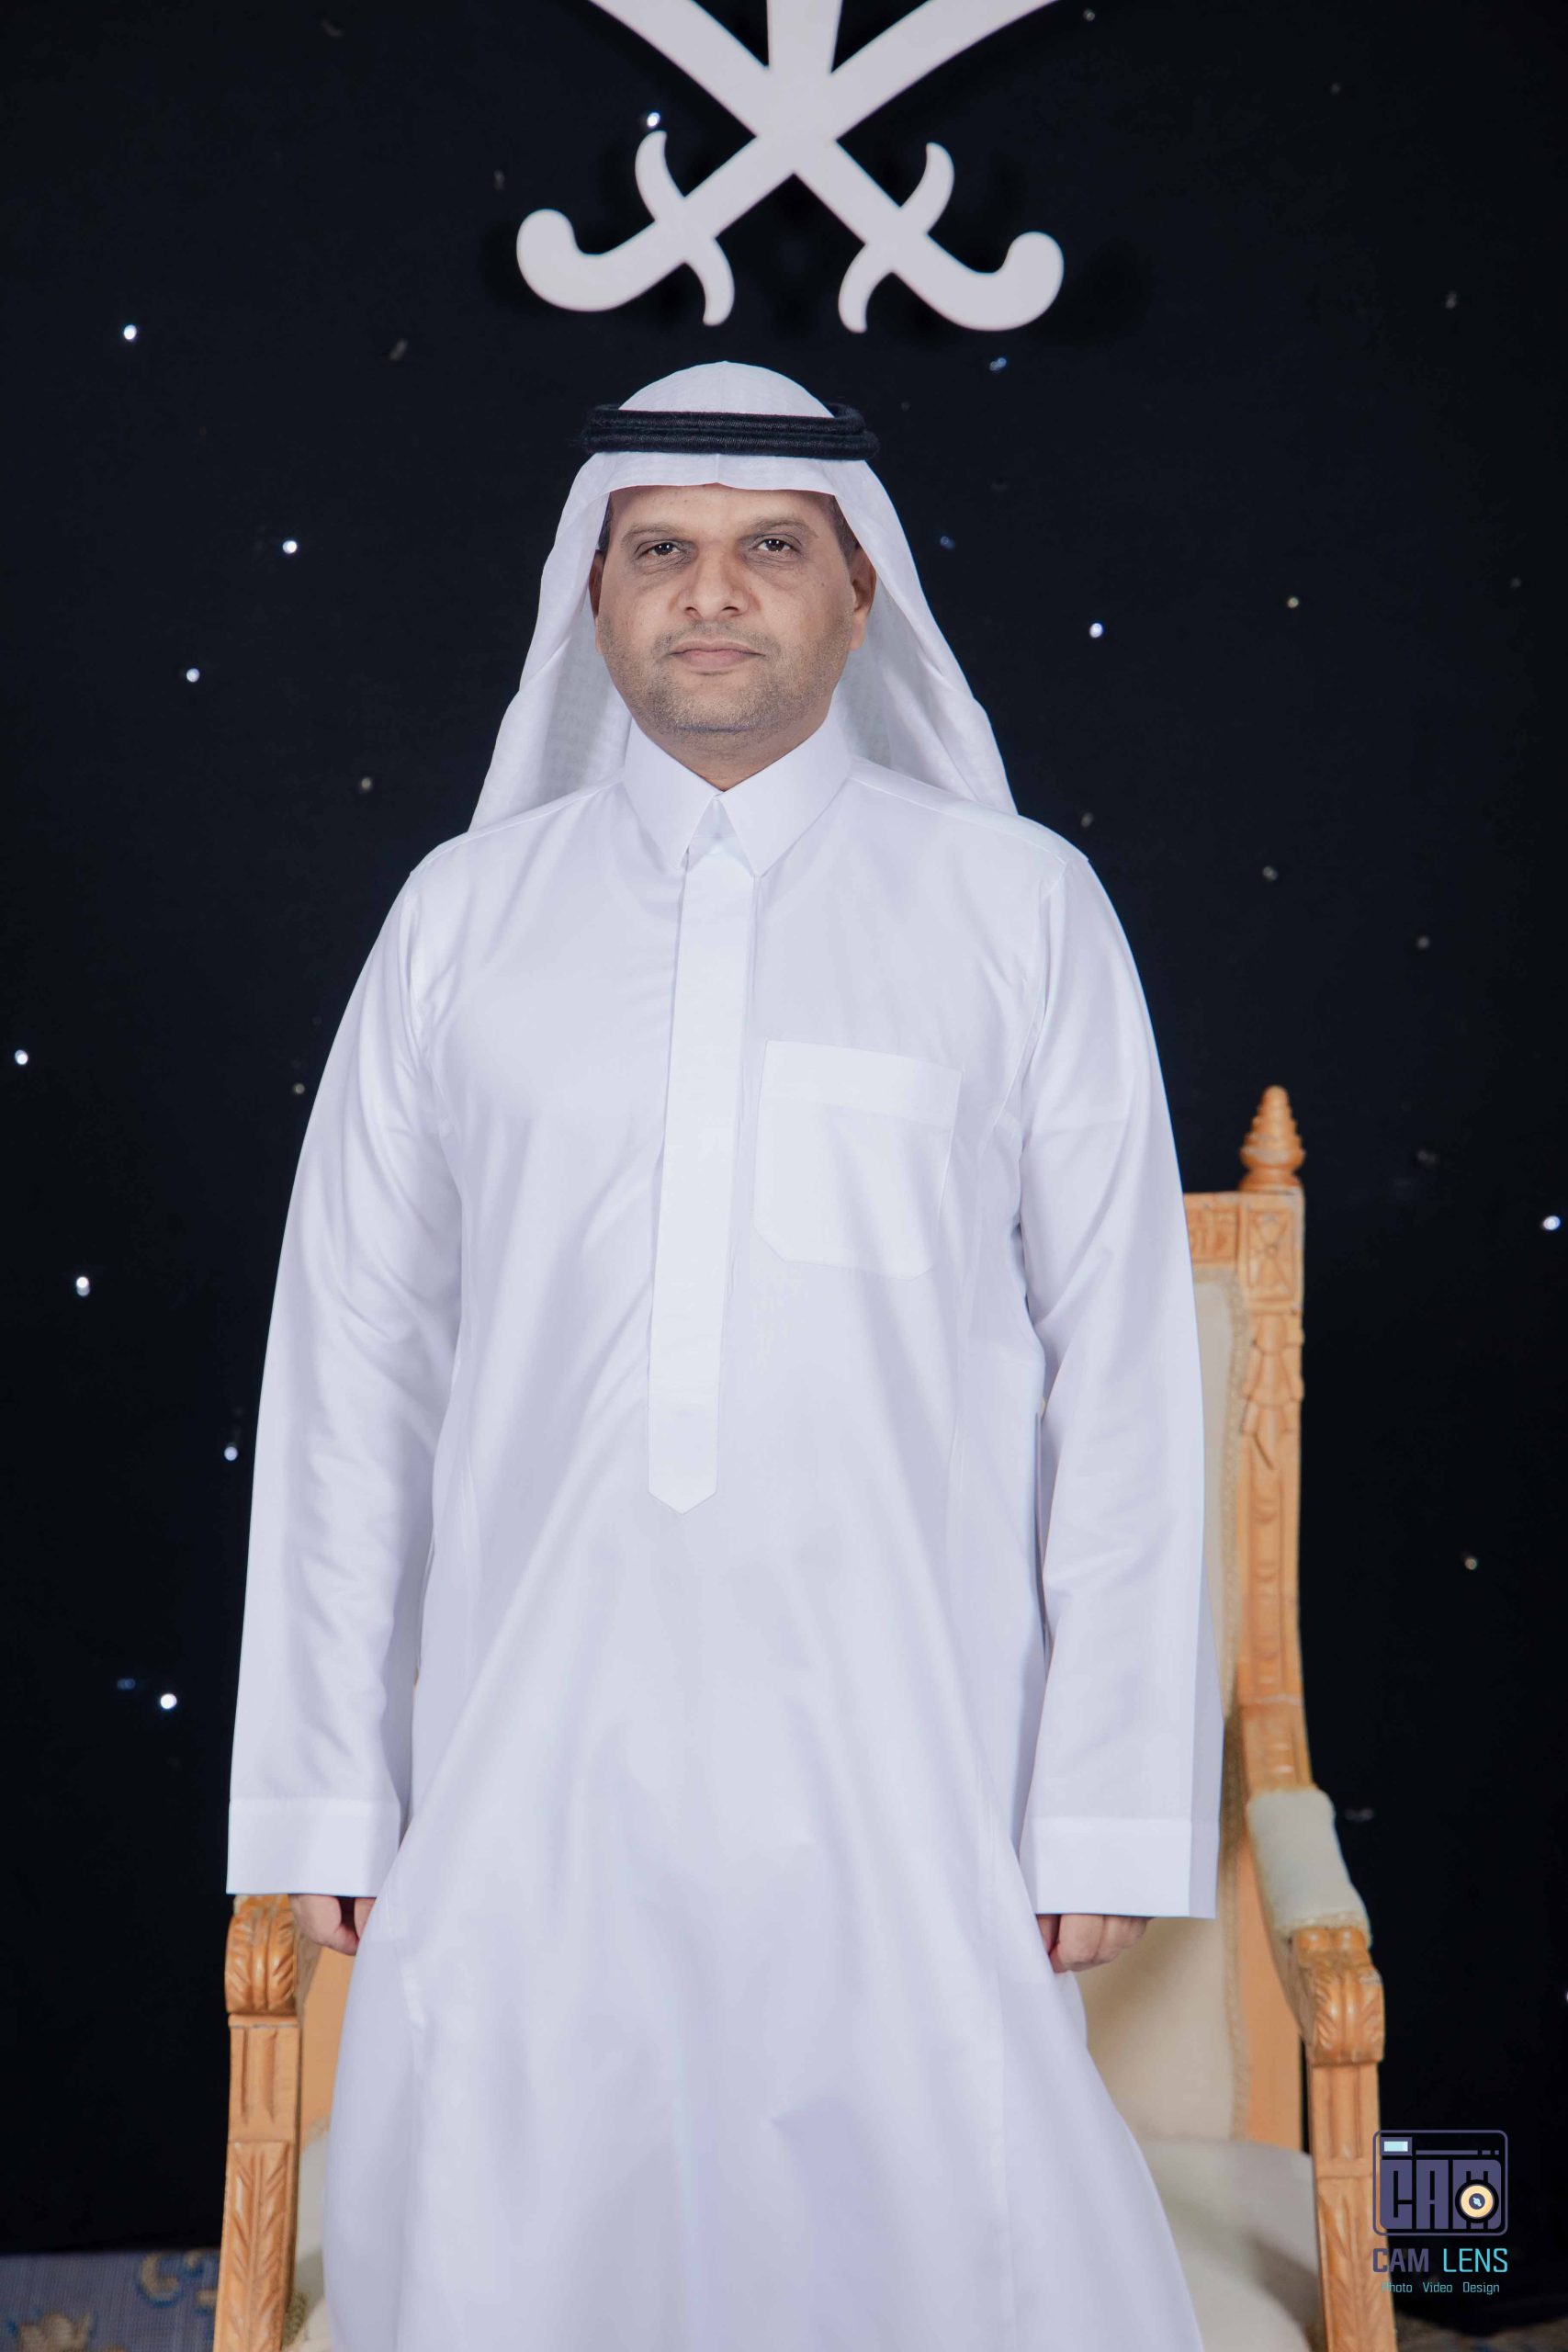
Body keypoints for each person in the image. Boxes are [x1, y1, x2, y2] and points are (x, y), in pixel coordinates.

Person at [226, 359, 1223, 2350]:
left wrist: (1105, 1801)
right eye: (659, 549)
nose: (711, 591)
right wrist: (322, 1788)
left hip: (911, 1747)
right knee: (513, 2216)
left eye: (770, 545)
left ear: (861, 594)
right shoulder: (459, 920)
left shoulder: (1017, 909)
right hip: (526, 1749)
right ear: (589, 599)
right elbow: (350, 1372)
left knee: (943, 2230)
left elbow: (1122, 1371)